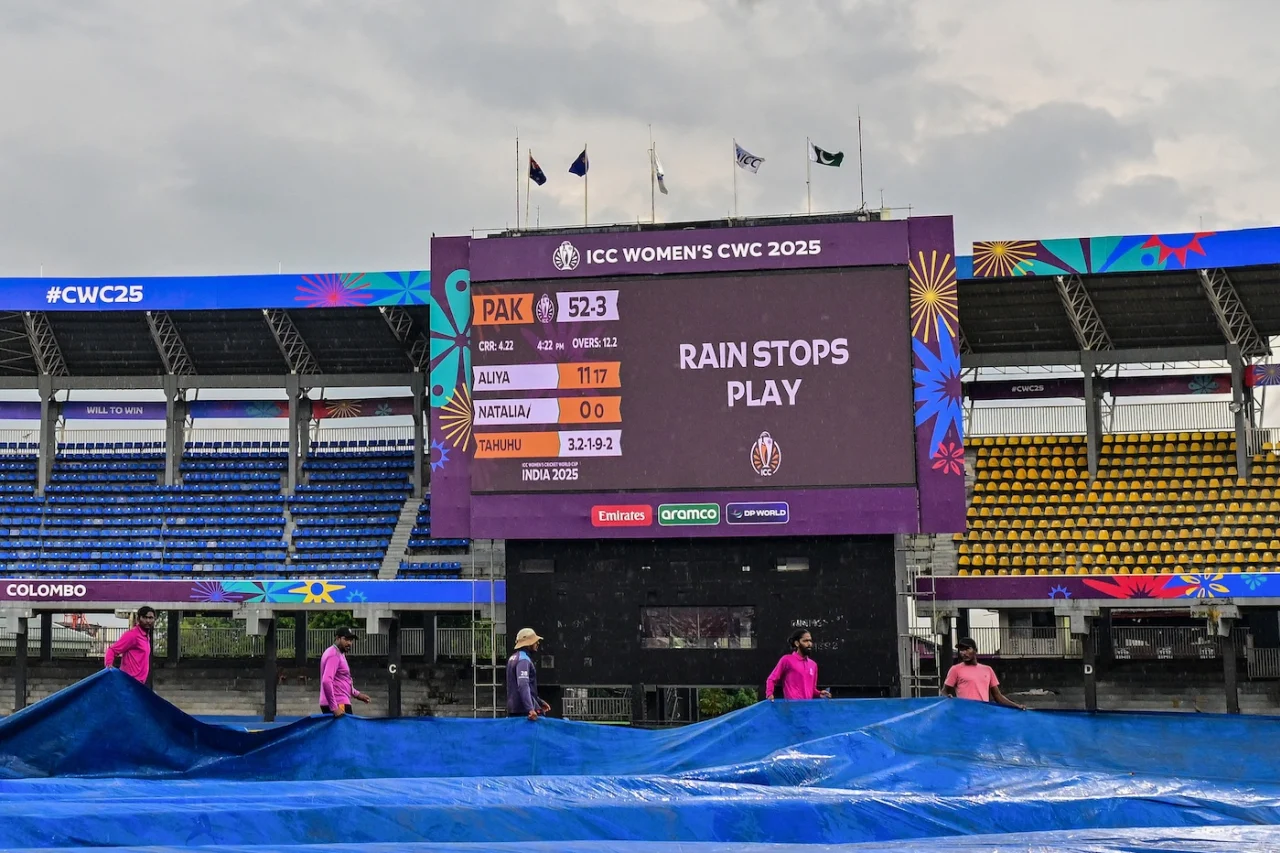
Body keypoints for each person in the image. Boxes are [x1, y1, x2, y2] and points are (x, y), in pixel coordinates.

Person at [943, 637, 1026, 710]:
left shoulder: (987, 670)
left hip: (983, 713)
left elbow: (998, 697)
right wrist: (947, 698)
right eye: (961, 650)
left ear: (975, 650)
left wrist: (1016, 706)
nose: (963, 653)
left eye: (967, 649)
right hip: (965, 714)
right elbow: (944, 692)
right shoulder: (955, 669)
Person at [765, 628, 831, 700]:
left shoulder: (813, 665)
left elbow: (812, 689)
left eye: (810, 641)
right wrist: (769, 694)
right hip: (792, 708)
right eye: (805, 641)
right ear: (797, 643)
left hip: (808, 708)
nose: (809, 644)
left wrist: (819, 693)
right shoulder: (787, 660)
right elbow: (771, 679)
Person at [319, 626, 371, 717]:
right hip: (339, 703)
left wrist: (357, 695)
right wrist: (334, 707)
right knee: (349, 731)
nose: (349, 643)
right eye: (346, 639)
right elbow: (326, 681)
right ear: (337, 638)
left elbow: (343, 680)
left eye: (351, 640)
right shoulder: (334, 655)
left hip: (338, 702)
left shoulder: (339, 653)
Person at [506, 627, 551, 721]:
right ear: (528, 644)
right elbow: (523, 685)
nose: (537, 643)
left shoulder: (513, 658)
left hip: (514, 709)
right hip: (524, 712)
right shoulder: (524, 660)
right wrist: (530, 709)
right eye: (535, 641)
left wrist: (539, 701)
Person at [104, 605, 156, 685]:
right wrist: (109, 668)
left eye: (150, 618)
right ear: (138, 619)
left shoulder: (146, 636)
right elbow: (112, 650)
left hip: (140, 684)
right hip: (128, 683)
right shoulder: (132, 635)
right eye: (145, 617)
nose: (148, 621)